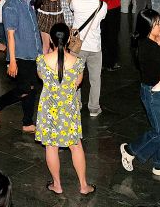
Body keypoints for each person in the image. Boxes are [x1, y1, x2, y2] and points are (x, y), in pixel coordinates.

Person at [36, 23, 94, 195]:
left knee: (51, 147)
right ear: (69, 39)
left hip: (48, 107)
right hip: (68, 107)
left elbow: (42, 79)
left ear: (52, 40)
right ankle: (83, 185)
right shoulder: (78, 62)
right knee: (76, 145)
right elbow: (77, 83)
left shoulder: (41, 61)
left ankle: (57, 185)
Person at [121, 9, 160, 178]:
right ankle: (130, 150)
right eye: (156, 24)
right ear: (148, 27)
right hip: (153, 93)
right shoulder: (149, 47)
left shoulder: (152, 42)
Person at [0, 0, 42, 133]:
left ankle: (27, 122)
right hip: (20, 54)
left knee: (33, 88)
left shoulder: (28, 1)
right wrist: (11, 61)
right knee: (25, 88)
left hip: (34, 52)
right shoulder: (11, 5)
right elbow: (10, 35)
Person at [69, 0, 107, 117]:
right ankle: (94, 108)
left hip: (77, 46)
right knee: (95, 78)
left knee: (75, 76)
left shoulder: (77, 2)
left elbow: (71, 5)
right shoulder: (103, 6)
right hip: (95, 47)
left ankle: (76, 104)